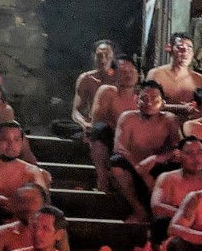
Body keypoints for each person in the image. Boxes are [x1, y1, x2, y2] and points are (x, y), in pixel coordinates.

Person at [110, 80, 181, 222]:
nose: (149, 102)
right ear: (136, 100)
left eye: (155, 98)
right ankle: (139, 210)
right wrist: (138, 167)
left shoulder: (170, 120)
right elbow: (120, 147)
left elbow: (178, 149)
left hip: (159, 168)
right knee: (116, 164)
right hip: (134, 167)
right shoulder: (128, 117)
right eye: (144, 98)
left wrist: (155, 159)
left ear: (163, 103)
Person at [149, 135, 202, 251]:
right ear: (179, 155)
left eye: (200, 153)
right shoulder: (167, 178)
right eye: (189, 153)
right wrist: (186, 216)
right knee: (160, 222)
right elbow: (157, 207)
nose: (195, 158)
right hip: (174, 228)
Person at [87, 55, 140, 193]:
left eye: (131, 71)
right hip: (113, 139)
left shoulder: (143, 96)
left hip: (136, 142)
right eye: (123, 71)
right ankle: (102, 180)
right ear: (114, 73)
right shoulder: (108, 91)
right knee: (99, 131)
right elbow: (96, 121)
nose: (128, 74)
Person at [148, 32, 202, 111]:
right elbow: (147, 103)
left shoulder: (199, 79)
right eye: (180, 47)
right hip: (161, 121)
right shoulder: (155, 75)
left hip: (188, 122)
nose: (185, 52)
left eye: (189, 48)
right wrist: (181, 108)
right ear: (170, 49)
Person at [72, 40, 116, 134]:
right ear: (94, 57)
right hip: (93, 125)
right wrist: (84, 124)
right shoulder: (86, 78)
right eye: (100, 55)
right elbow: (76, 112)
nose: (103, 59)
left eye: (106, 55)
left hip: (115, 126)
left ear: (112, 57)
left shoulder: (119, 79)